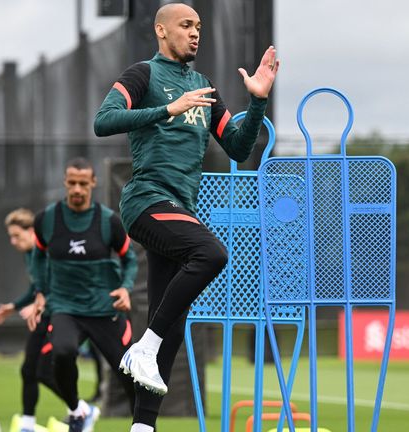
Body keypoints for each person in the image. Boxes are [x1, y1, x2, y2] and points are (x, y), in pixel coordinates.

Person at [93, 3, 278, 431]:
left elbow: (237, 146)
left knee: (172, 318)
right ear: (161, 30)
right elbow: (103, 121)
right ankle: (145, 344)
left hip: (179, 208)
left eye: (199, 26)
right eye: (186, 25)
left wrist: (258, 102)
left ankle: (142, 425)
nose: (196, 33)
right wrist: (167, 110)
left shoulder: (203, 85)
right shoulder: (143, 75)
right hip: (145, 201)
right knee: (212, 253)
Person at [27, 158, 138, 432]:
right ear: (65, 182)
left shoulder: (108, 221)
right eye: (72, 183)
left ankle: (145, 427)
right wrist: (41, 292)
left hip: (104, 308)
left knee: (129, 373)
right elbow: (38, 256)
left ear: (93, 183)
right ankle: (77, 410)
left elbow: (130, 259)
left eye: (83, 183)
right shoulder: (47, 219)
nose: (77, 189)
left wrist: (126, 287)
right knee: (62, 353)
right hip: (65, 306)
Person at [0, 209, 67, 432]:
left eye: (17, 235)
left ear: (32, 231)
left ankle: (80, 409)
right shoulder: (29, 254)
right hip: (42, 316)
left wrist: (38, 304)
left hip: (59, 316)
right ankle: (28, 424)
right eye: (11, 237)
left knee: (43, 371)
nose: (13, 241)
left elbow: (60, 287)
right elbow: (35, 289)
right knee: (28, 370)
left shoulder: (49, 252)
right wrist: (13, 307)